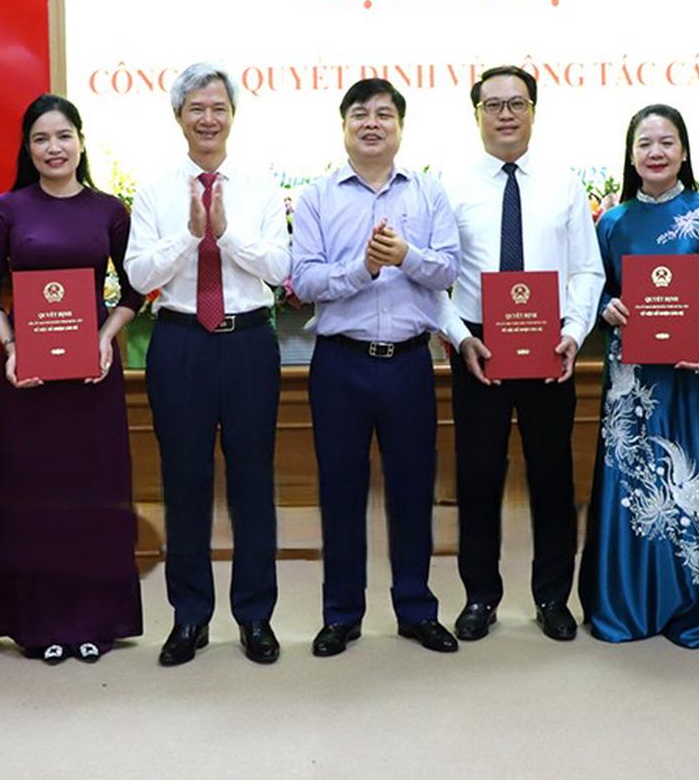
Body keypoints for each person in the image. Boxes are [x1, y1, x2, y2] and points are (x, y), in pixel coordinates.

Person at [125, 63, 291, 667]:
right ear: (178, 116)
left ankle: (255, 616)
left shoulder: (260, 186)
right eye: (196, 107)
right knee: (184, 482)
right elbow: (137, 273)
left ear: (232, 115)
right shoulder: (155, 190)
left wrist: (226, 233)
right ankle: (189, 616)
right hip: (180, 343)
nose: (208, 118)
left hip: (247, 343)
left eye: (218, 107)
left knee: (253, 484)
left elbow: (279, 268)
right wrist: (189, 237)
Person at [290, 79, 461, 656]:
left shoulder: (429, 193)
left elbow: (448, 270)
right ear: (343, 127)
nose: (371, 124)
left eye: (384, 114)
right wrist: (361, 269)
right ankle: (341, 614)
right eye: (359, 114)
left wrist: (405, 256)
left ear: (400, 128)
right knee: (340, 490)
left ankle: (416, 609)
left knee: (412, 489)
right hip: (341, 363)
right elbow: (303, 280)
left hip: (409, 363)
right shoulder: (317, 198)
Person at [437, 65, 605, 643]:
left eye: (517, 103)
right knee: (478, 476)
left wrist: (574, 331)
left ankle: (552, 597)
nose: (505, 114)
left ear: (534, 110)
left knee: (553, 476)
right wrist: (459, 336)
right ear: (476, 114)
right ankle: (480, 597)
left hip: (549, 344)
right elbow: (434, 276)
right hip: (478, 345)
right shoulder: (449, 184)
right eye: (493, 105)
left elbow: (587, 270)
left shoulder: (563, 183)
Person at [0, 94, 144, 664]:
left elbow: (136, 289)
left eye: (63, 136)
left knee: (93, 497)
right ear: (28, 148)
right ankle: (40, 623)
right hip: (31, 381)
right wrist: (12, 346)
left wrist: (104, 337)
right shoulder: (8, 210)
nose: (54, 148)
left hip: (92, 377)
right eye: (41, 139)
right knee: (36, 498)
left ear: (81, 142)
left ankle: (96, 620)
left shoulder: (108, 210)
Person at [576, 104, 699, 647]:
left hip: (693, 371)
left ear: (684, 151)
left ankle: (694, 606)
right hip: (632, 379)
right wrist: (604, 306)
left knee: (692, 480)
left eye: (667, 142)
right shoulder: (612, 222)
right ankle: (627, 603)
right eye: (645, 143)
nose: (656, 152)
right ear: (631, 156)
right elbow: (592, 285)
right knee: (633, 480)